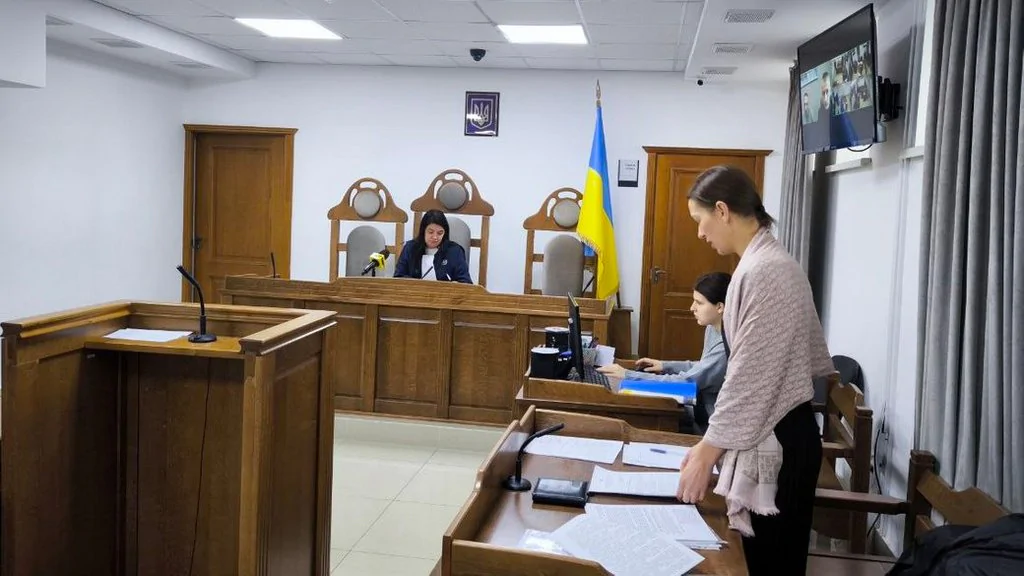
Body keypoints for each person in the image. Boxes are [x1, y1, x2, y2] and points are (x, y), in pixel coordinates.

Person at [674, 165, 834, 575]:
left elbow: (748, 376)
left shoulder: (767, 270)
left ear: (722, 210)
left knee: (769, 567)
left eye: (699, 220)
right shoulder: (760, 262)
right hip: (775, 432)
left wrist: (708, 450)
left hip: (783, 441)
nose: (700, 233)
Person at [596, 272, 730, 432]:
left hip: (709, 422)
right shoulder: (713, 327)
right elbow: (703, 367)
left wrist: (628, 375)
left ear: (720, 307)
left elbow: (687, 381)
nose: (692, 308)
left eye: (699, 303)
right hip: (698, 405)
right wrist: (664, 365)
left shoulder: (724, 348)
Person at [394, 209, 473, 283]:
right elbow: (398, 278)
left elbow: (466, 282)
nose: (435, 237)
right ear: (423, 231)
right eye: (430, 232)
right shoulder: (410, 248)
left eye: (440, 233)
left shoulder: (455, 251)